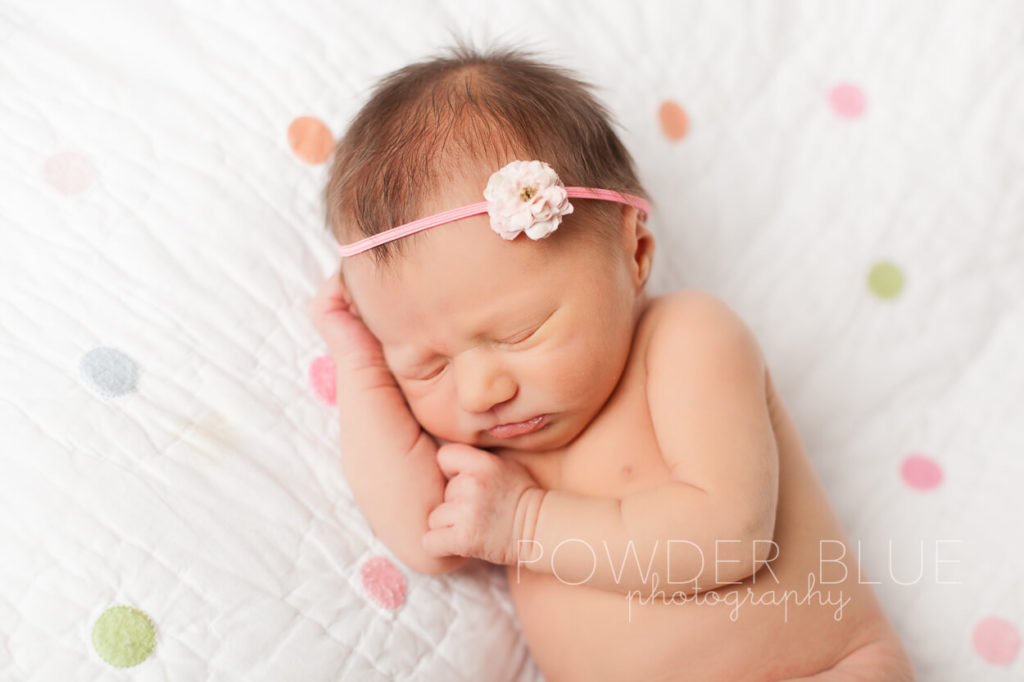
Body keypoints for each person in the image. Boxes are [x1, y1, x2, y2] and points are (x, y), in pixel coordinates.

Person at [307, 40, 916, 682]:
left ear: (635, 254)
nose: (481, 388)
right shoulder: (495, 457)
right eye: (426, 364)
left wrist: (528, 525)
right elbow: (423, 535)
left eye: (521, 332)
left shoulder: (686, 339)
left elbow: (730, 533)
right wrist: (362, 364)